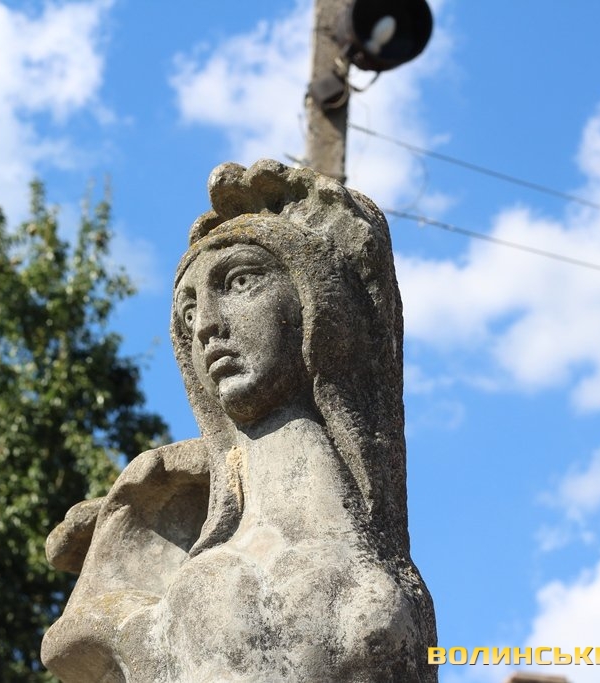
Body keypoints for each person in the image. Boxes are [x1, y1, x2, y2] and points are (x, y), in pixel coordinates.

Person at [42, 160, 437, 682]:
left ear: (316, 301)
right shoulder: (200, 573)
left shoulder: (379, 562)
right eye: (188, 312)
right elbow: (67, 646)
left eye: (240, 280)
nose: (206, 325)